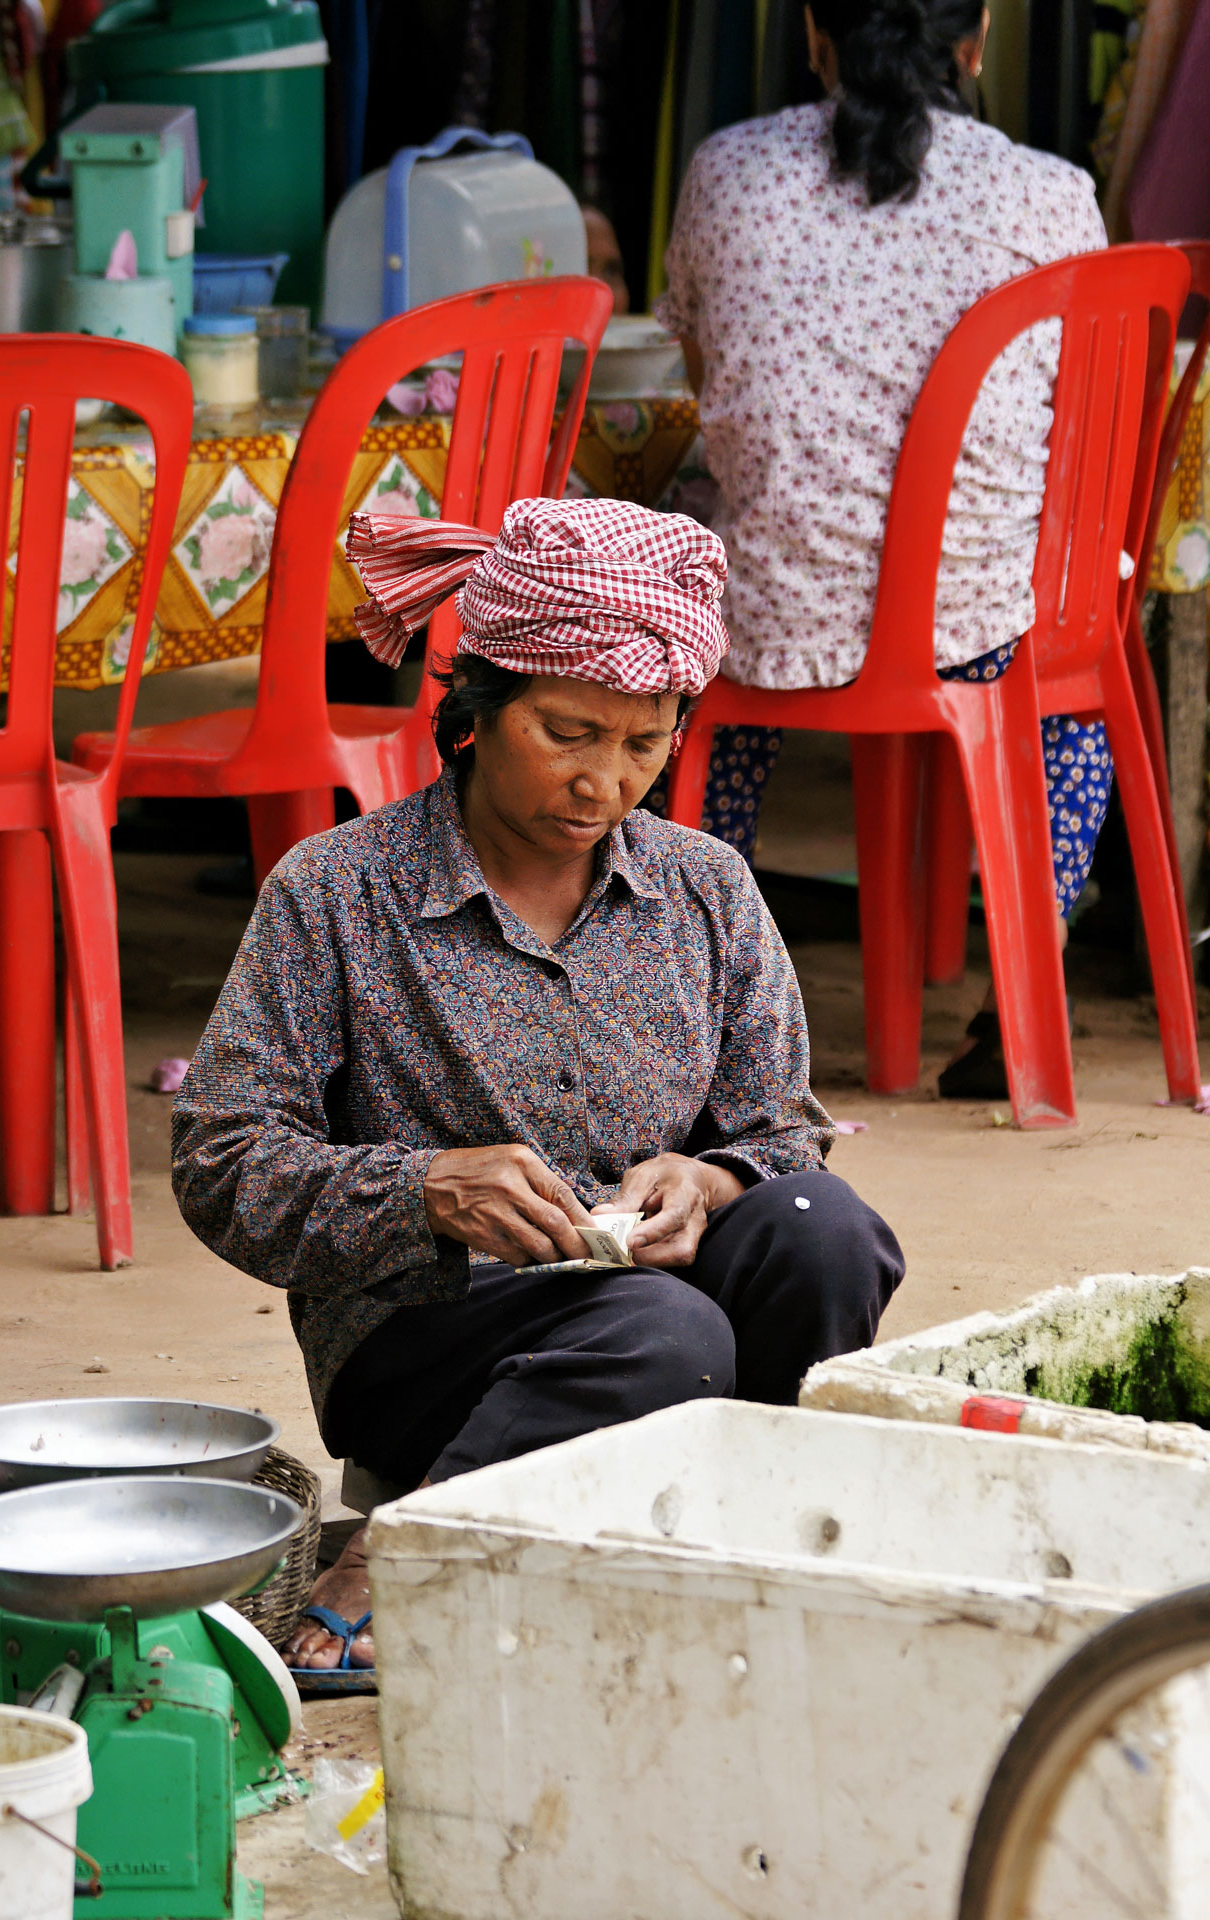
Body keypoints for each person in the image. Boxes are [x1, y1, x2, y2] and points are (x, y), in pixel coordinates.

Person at [171, 497, 905, 1682]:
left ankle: (750, 1529)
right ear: (473, 709)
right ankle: (399, 1553)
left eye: (642, 743)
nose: (601, 781)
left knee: (824, 1234)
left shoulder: (703, 888)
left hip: (669, 1315)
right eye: (566, 732)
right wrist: (422, 1191)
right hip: (432, 1341)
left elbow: (782, 1130)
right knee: (665, 1332)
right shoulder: (339, 893)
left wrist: (710, 1179)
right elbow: (220, 1161)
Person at [658, 0, 1113, 1097]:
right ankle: (1023, 993)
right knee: (1074, 713)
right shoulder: (1050, 194)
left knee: (694, 651)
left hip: (769, 610)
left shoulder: (725, 171)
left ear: (813, 31)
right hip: (977, 626)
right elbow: (1075, 406)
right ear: (979, 36)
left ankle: (691, 994)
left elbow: (697, 348)